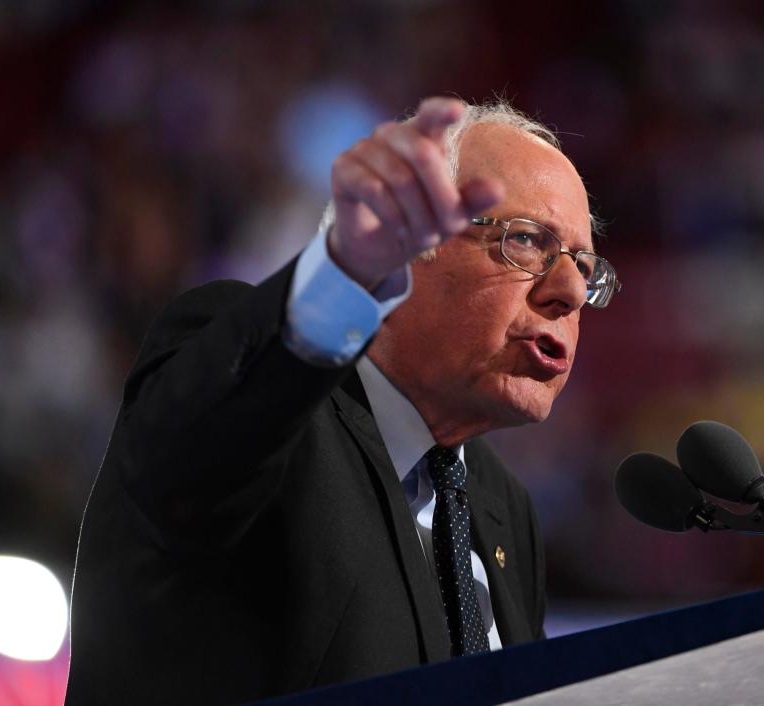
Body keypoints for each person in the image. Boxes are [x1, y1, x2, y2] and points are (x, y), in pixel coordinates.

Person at [65, 97, 621, 705]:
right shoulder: (262, 383)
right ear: (406, 246)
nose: (569, 291)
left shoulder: (501, 505)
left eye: (585, 266)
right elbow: (183, 467)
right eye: (526, 241)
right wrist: (340, 278)